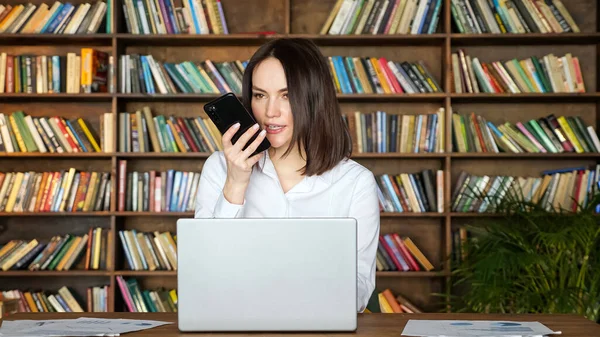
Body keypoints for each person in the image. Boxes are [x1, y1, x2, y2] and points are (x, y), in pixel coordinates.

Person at [194, 38, 380, 313]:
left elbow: (359, 290)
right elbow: (202, 277)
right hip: (237, 324)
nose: (271, 112)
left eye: (287, 95)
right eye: (260, 95)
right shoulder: (219, 168)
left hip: (318, 327)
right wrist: (236, 183)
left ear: (314, 99)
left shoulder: (355, 183)